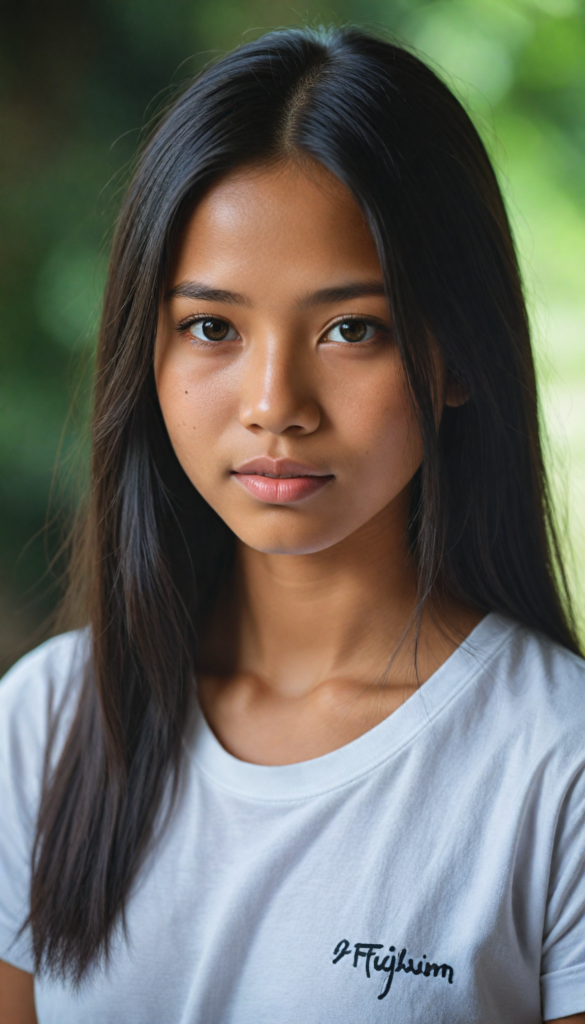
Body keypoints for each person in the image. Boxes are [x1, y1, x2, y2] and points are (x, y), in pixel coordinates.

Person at [1, 25, 584, 1024]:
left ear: (451, 355)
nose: (274, 401)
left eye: (350, 328)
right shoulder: (45, 726)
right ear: (149, 352)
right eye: (212, 328)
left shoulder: (555, 762)